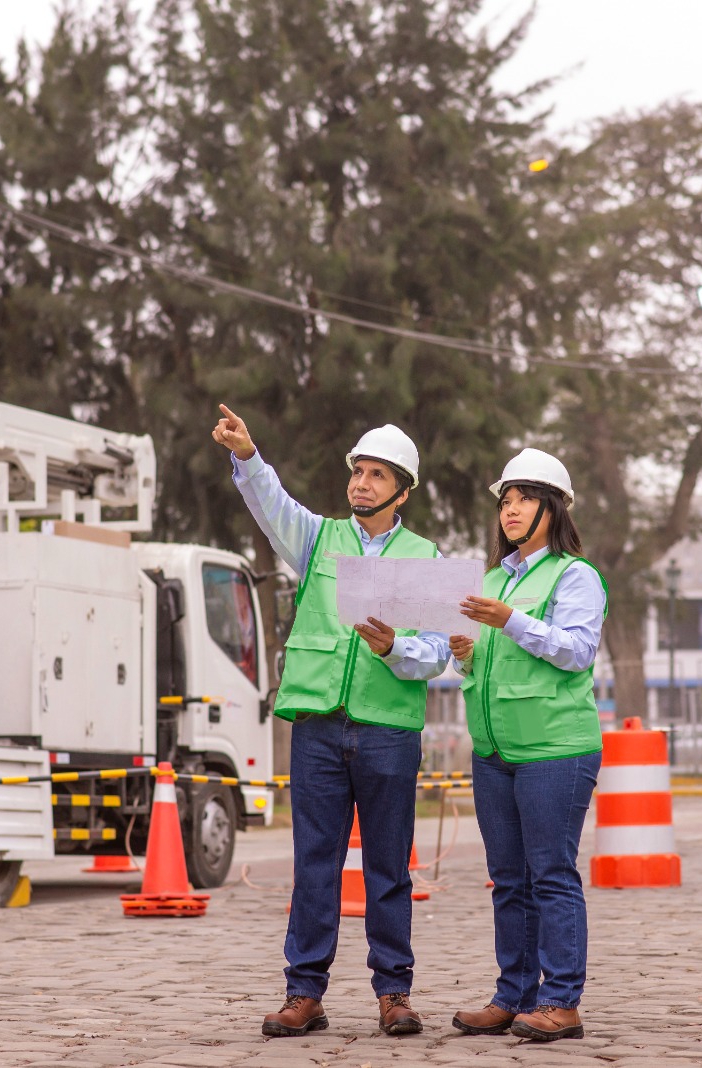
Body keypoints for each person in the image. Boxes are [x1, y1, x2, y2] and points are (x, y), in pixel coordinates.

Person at [211, 404, 450, 1039]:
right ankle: (304, 993)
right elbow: (271, 504)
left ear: (402, 490)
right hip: (317, 725)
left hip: (387, 731)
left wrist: (393, 647)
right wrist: (246, 455)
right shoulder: (318, 539)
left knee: (388, 865)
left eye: (376, 475)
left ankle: (393, 993)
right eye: (357, 471)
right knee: (314, 860)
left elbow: (438, 654)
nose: (360, 483)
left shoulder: (425, 557)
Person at [448, 448, 606, 1042]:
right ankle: (514, 996)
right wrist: (467, 657)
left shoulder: (575, 576)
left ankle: (561, 1000)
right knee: (509, 878)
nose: (509, 509)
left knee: (551, 875)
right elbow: (484, 669)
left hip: (554, 751)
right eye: (504, 500)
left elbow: (574, 650)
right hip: (493, 752)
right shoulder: (489, 580)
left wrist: (510, 619)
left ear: (554, 507)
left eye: (523, 498)